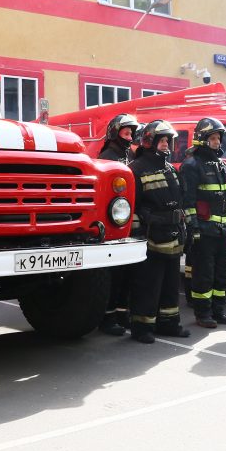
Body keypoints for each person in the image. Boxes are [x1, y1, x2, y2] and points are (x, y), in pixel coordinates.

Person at [128, 120, 192, 343]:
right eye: (162, 140)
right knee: (148, 283)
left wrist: (185, 227)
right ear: (149, 142)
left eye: (167, 141)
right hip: (151, 237)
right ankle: (142, 327)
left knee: (171, 284)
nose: (166, 145)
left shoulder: (169, 169)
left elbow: (180, 201)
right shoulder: (135, 169)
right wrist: (141, 233)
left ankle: (168, 323)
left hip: (172, 235)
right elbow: (132, 207)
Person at [180, 117, 226, 328]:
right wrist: (193, 227)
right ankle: (202, 314)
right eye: (213, 138)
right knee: (203, 274)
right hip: (204, 231)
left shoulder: (223, 167)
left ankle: (218, 311)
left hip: (222, 231)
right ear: (202, 139)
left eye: (218, 138)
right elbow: (187, 201)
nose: (217, 142)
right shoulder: (191, 165)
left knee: (222, 273)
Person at [97, 113, 140, 335]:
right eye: (126, 132)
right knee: (114, 275)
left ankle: (123, 314)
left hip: (128, 226)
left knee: (127, 274)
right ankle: (107, 318)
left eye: (131, 133)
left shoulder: (127, 156)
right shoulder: (108, 157)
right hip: (113, 228)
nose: (130, 136)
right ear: (114, 133)